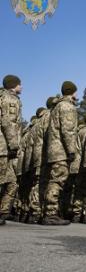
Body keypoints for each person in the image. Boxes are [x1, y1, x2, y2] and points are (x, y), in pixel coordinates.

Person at [42, 81, 78, 225]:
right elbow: (68, 130)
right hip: (61, 150)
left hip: (54, 150)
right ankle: (50, 214)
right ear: (72, 92)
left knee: (54, 180)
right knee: (57, 181)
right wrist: (71, 150)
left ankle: (50, 213)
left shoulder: (57, 106)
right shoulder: (67, 106)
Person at [0, 75, 23, 226]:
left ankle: (2, 213)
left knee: (12, 182)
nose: (21, 86)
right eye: (20, 84)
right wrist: (14, 144)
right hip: (4, 147)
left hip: (6, 148)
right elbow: (8, 122)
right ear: (13, 85)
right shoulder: (10, 99)